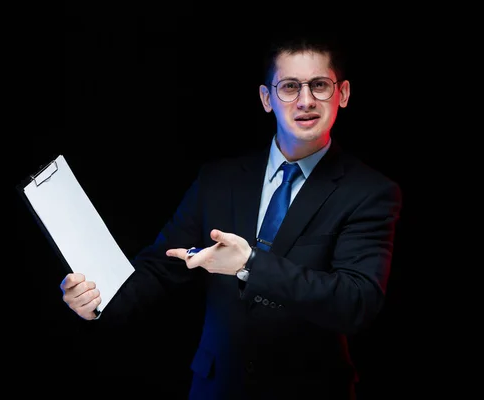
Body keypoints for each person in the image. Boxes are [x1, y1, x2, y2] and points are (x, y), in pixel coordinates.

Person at [59, 33, 402, 399]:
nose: (305, 101)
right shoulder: (219, 180)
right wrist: (98, 302)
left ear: (343, 93)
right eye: (289, 87)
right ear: (267, 99)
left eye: (319, 85)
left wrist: (250, 264)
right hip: (217, 387)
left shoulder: (370, 192)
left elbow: (356, 302)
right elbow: (161, 268)